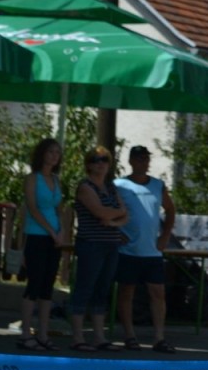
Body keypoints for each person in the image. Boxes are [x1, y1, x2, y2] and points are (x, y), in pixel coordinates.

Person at [115, 145, 177, 353]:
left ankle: (159, 337)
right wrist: (116, 232)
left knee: (158, 292)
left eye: (146, 159)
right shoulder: (119, 185)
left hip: (152, 250)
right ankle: (129, 335)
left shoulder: (158, 185)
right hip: (128, 250)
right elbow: (108, 212)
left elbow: (170, 210)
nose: (143, 162)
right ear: (131, 161)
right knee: (126, 291)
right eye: (139, 159)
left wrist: (165, 236)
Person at [69, 145, 128, 352]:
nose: (101, 164)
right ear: (88, 164)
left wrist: (113, 220)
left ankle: (99, 337)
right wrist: (116, 213)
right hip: (91, 244)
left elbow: (125, 215)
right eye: (96, 160)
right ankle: (78, 337)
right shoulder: (85, 187)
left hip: (111, 243)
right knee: (84, 288)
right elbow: (99, 211)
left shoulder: (111, 188)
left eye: (105, 160)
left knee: (102, 290)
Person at [16, 138, 64, 351]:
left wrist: (61, 230)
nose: (54, 156)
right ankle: (26, 333)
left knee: (47, 286)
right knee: (34, 284)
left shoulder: (56, 179)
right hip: (36, 235)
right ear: (42, 154)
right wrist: (50, 230)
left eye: (57, 152)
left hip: (54, 239)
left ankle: (43, 333)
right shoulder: (32, 178)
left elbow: (58, 209)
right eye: (51, 152)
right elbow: (33, 208)